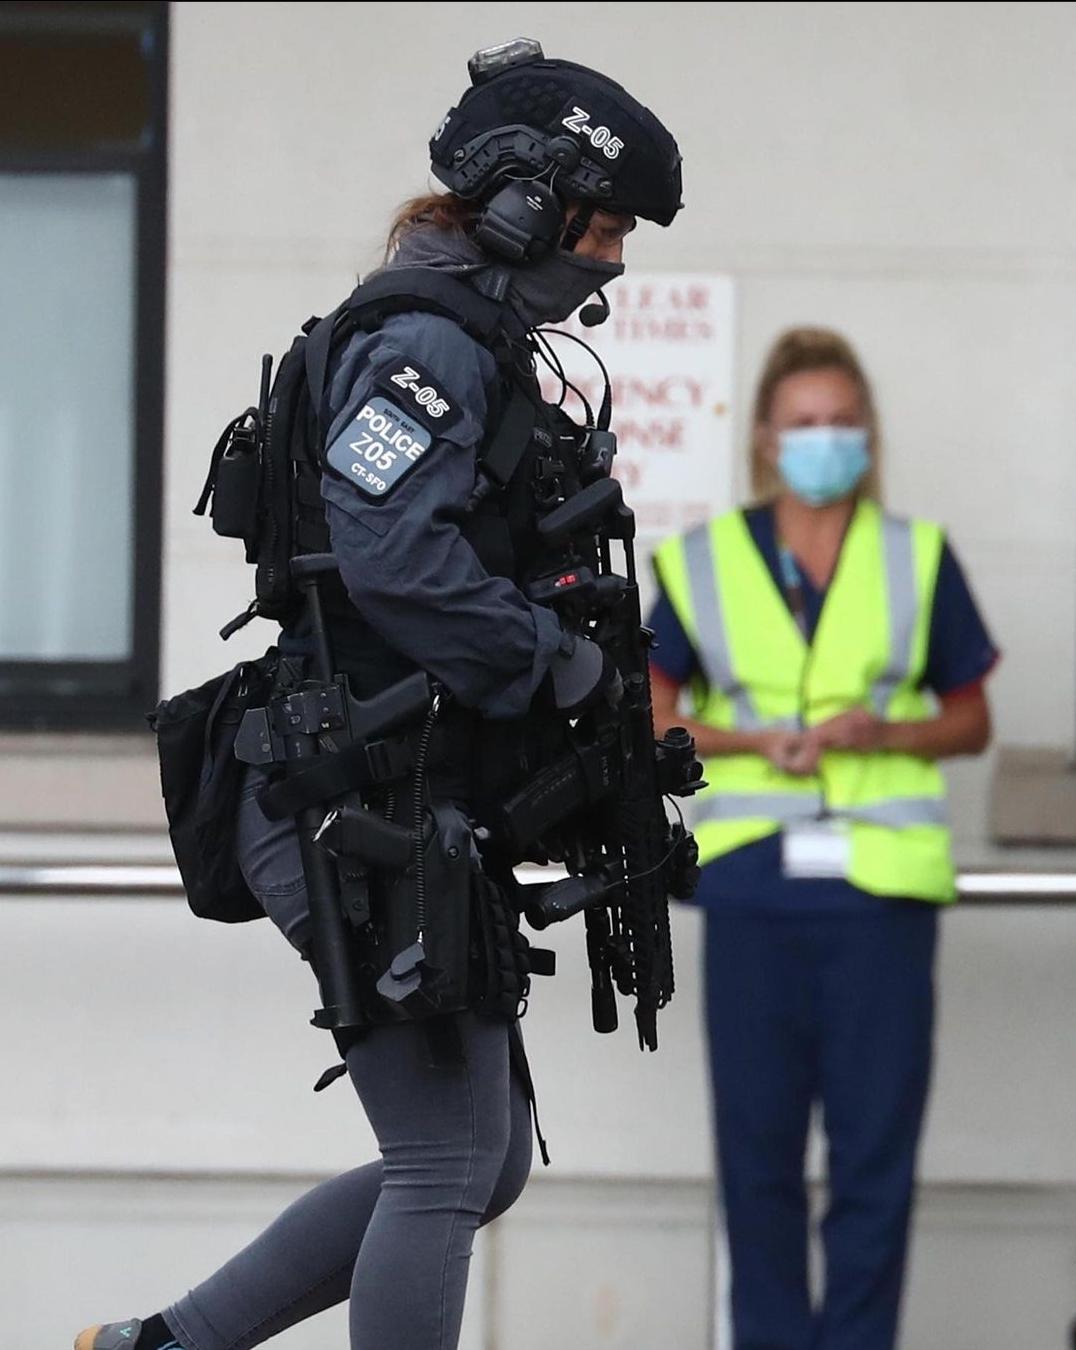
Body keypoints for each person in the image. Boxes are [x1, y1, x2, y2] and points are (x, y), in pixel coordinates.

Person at [76, 38, 683, 1350]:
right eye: (606, 223)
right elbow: (395, 560)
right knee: (446, 1164)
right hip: (350, 796)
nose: (617, 260)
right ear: (525, 201)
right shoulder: (426, 346)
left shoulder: (464, 339)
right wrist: (552, 658)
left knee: (482, 1155)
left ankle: (157, 1346)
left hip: (391, 791)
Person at [649, 327, 997, 1350]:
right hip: (753, 893)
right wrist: (748, 736)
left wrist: (879, 731)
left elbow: (970, 720)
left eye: (841, 423)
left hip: (878, 898)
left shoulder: (914, 557)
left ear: (866, 434)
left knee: (871, 1169)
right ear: (762, 438)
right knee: (754, 1165)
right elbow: (648, 715)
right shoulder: (704, 560)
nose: (822, 441)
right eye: (803, 424)